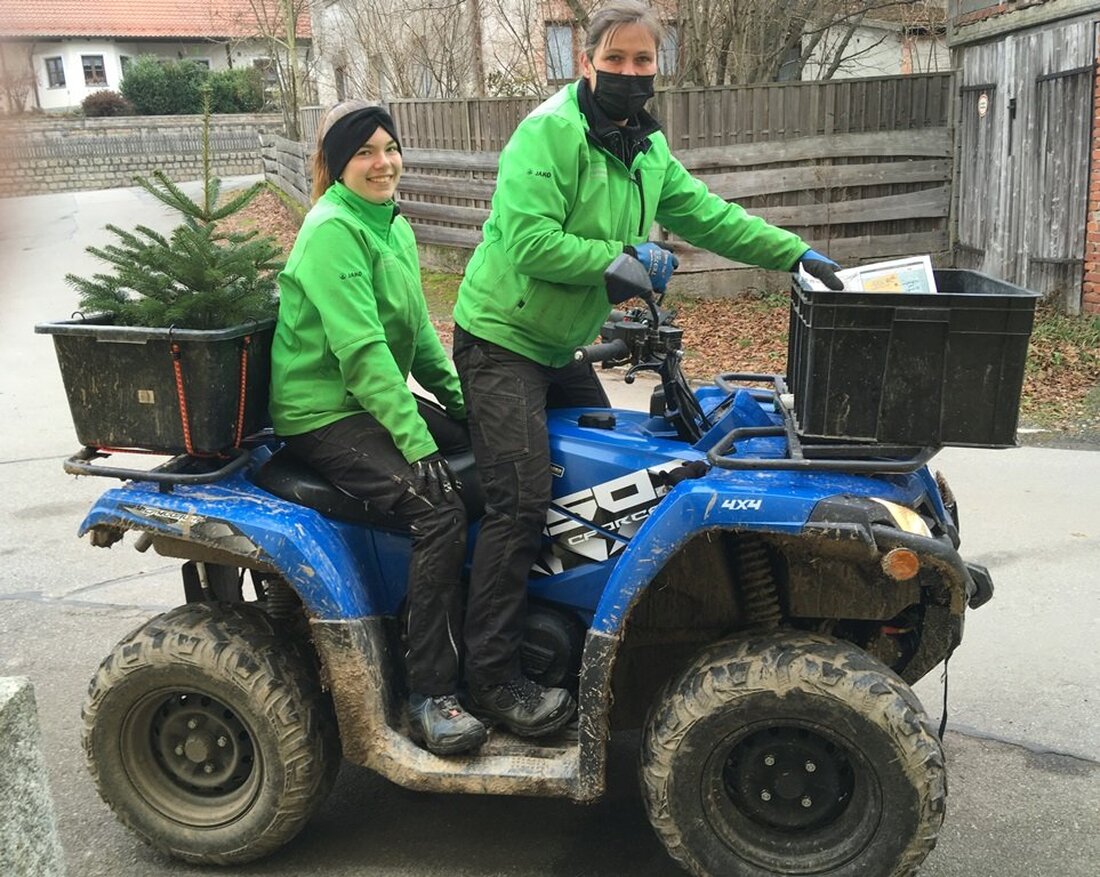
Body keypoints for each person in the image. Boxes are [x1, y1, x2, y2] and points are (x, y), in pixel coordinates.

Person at [451, 0, 844, 729]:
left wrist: (797, 254)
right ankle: (492, 677)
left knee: (607, 483)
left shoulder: (646, 147)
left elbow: (709, 216)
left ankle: (567, 624)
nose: (629, 72)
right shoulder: (548, 134)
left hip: (560, 344)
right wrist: (620, 258)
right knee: (522, 499)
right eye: (616, 59)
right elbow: (527, 242)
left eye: (643, 60)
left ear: (658, 65)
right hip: (502, 340)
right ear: (586, 61)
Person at [269, 101, 488, 756]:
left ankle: (481, 641)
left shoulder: (393, 225)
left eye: (389, 148)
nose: (382, 162)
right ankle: (428, 694)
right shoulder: (332, 230)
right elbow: (363, 353)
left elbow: (418, 335)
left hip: (367, 401)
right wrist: (418, 442)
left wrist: (464, 410)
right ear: (338, 164)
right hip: (325, 412)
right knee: (439, 509)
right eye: (364, 152)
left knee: (492, 457)